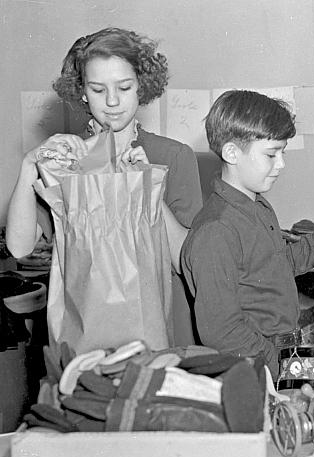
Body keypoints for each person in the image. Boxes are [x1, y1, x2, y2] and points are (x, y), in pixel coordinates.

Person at [6, 27, 201, 348]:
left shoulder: (173, 156)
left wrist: (141, 182)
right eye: (98, 90)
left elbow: (184, 260)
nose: (112, 102)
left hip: (158, 328)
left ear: (142, 86)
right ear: (81, 91)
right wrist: (30, 165)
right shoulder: (67, 161)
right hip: (86, 327)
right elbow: (19, 247)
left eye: (124, 87)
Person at [180, 90, 314, 379]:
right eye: (271, 154)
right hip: (256, 366)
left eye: (282, 153)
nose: (281, 164)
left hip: (280, 352)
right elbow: (223, 331)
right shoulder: (217, 231)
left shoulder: (256, 206)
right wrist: (280, 367)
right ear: (232, 152)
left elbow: (280, 266)